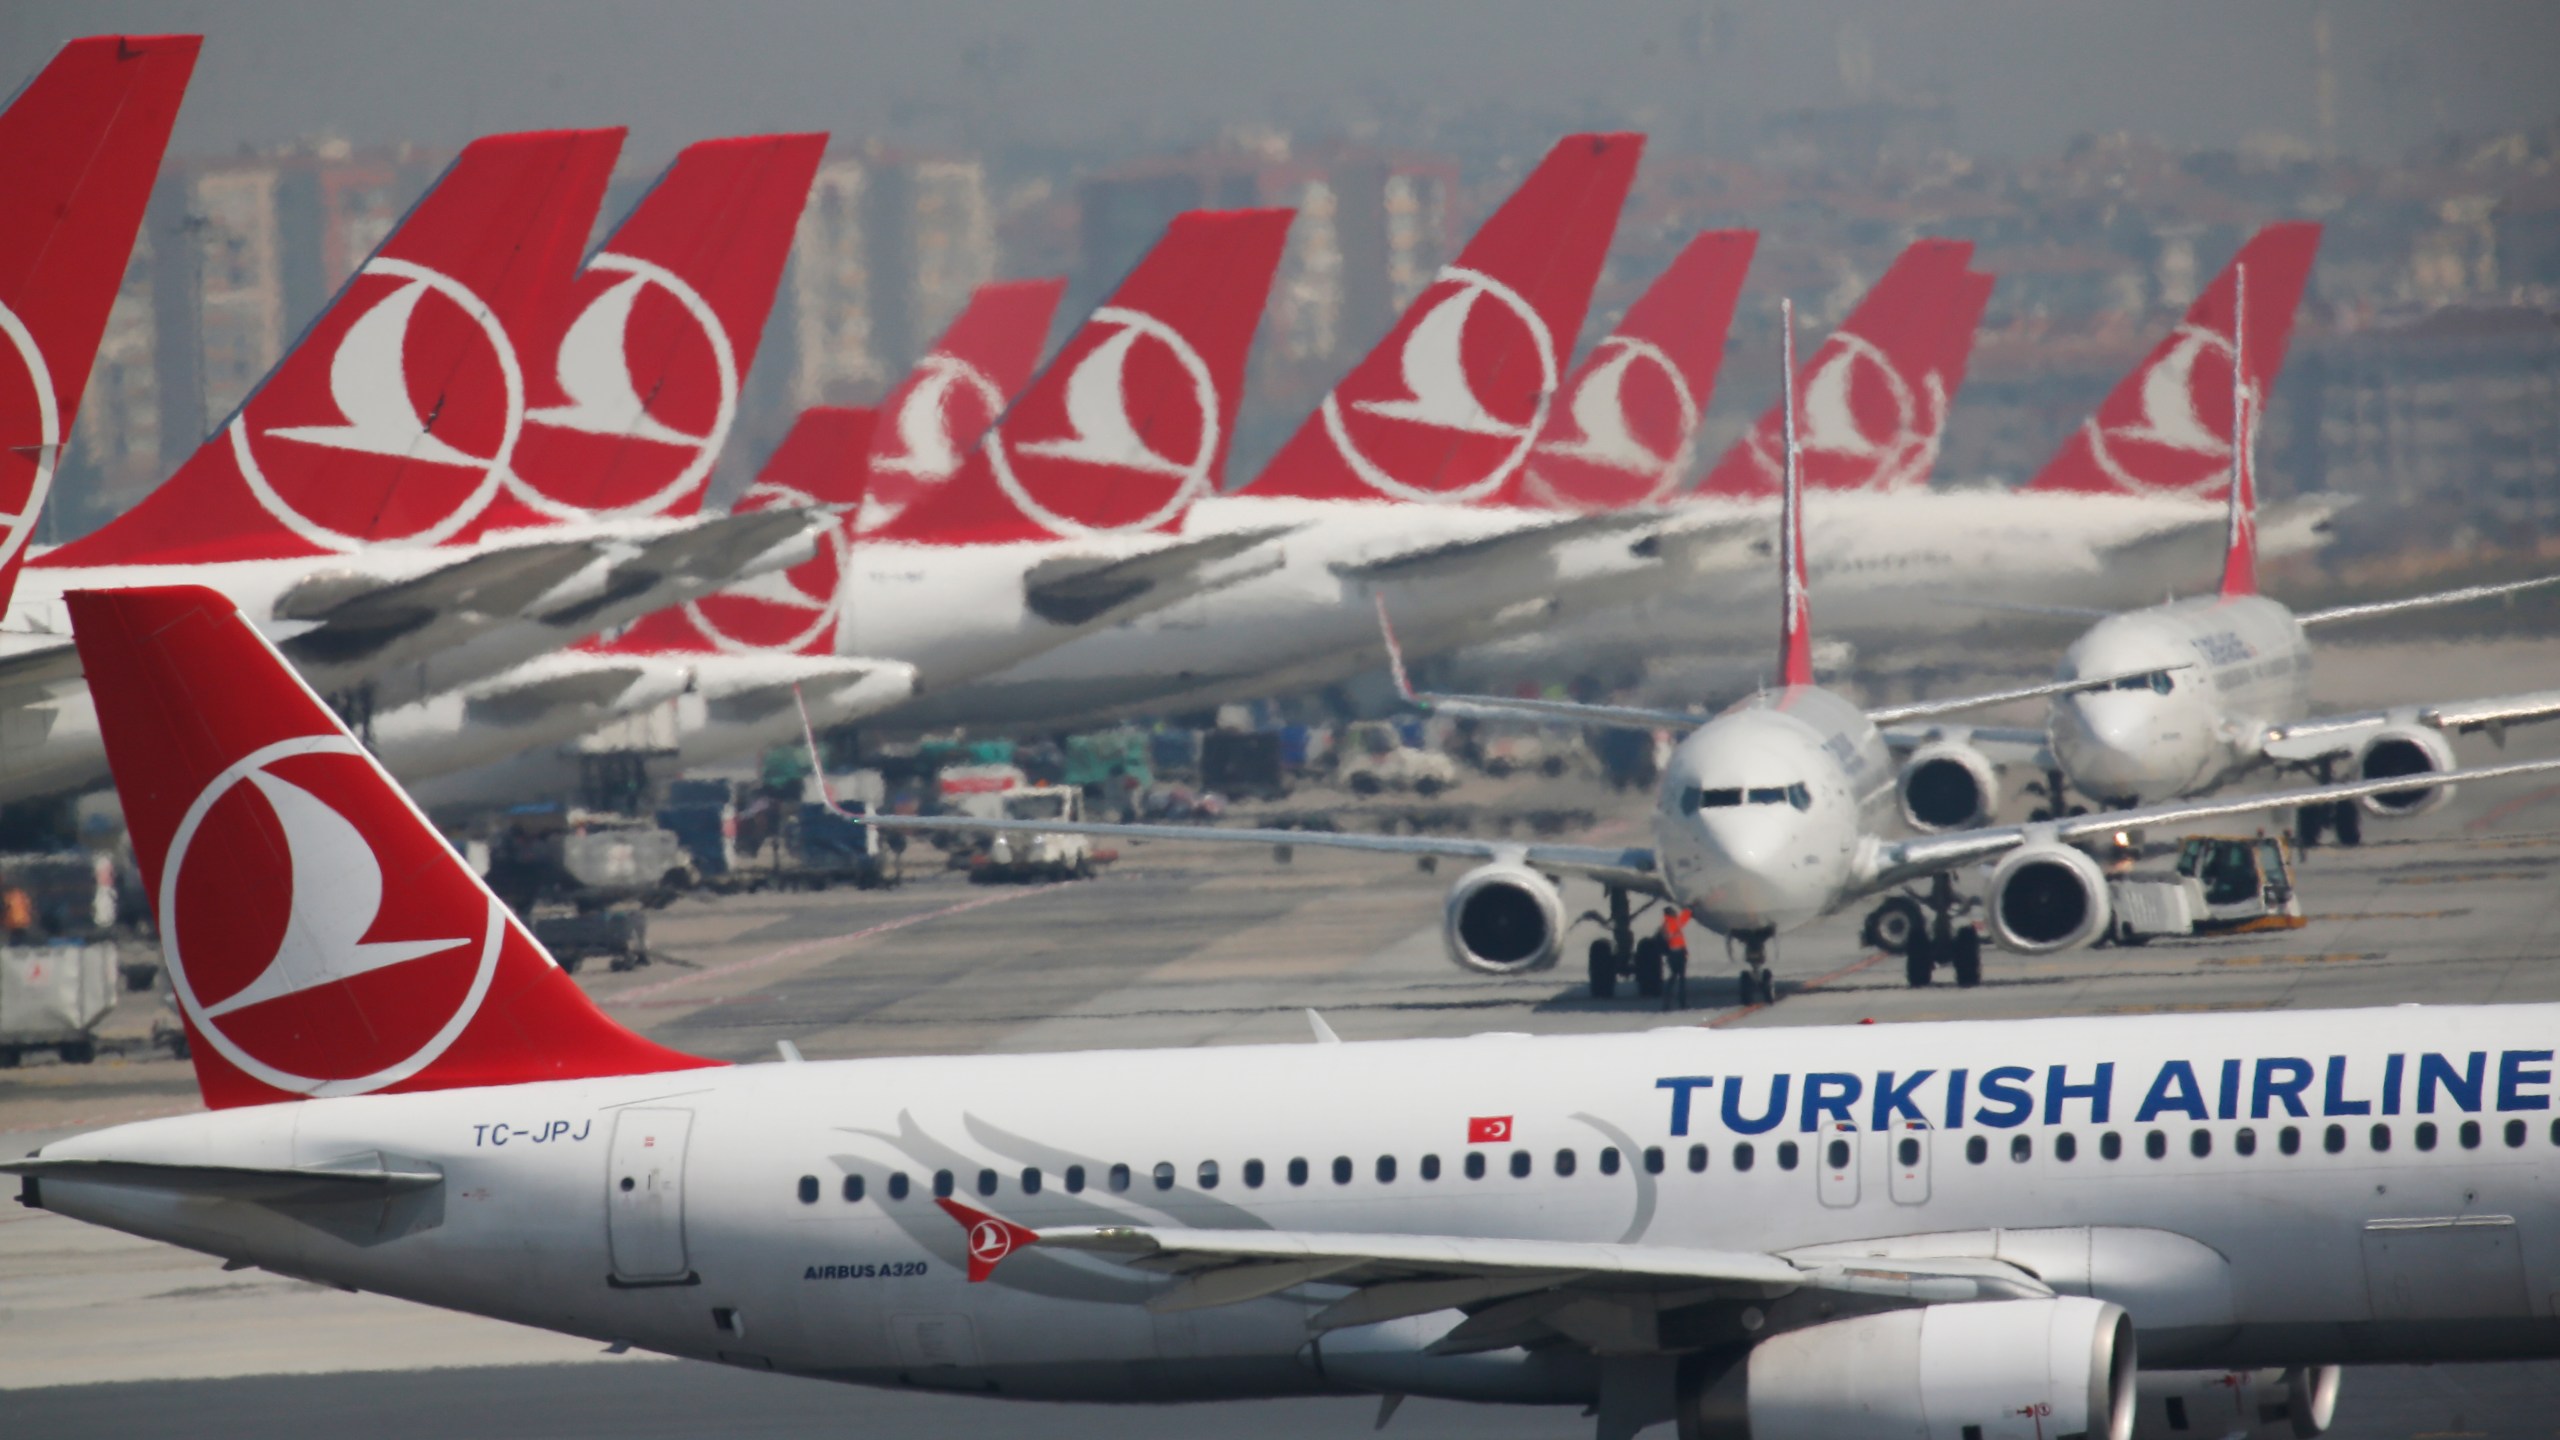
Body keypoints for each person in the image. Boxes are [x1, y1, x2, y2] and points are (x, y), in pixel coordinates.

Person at [1661, 905, 1692, 1011]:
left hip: (1674, 954)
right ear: (1670, 914)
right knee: (1679, 978)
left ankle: (1668, 1002)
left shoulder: (1667, 924)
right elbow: (1682, 920)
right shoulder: (1671, 923)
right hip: (1677, 954)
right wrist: (1688, 910)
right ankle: (1680, 1002)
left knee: (1674, 977)